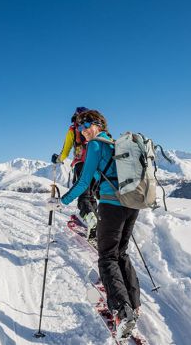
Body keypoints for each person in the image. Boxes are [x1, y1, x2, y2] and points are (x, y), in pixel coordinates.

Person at [59, 110, 140, 338]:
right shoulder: (115, 144)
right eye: (80, 126)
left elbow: (84, 180)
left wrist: (61, 200)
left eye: (86, 124)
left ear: (98, 124)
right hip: (131, 204)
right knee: (121, 253)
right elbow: (100, 176)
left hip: (112, 205)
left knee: (107, 257)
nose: (82, 130)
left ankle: (123, 314)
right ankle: (134, 305)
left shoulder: (94, 145)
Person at [51, 107, 98, 238]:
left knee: (83, 197)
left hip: (81, 164)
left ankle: (93, 225)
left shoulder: (73, 129)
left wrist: (58, 159)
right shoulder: (94, 127)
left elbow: (65, 151)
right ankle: (94, 222)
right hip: (96, 166)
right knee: (91, 196)